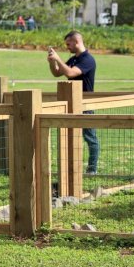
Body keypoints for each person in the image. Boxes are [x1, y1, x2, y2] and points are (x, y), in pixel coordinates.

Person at [47, 30, 99, 174]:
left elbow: (70, 73)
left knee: (90, 138)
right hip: (72, 102)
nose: (67, 47)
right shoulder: (74, 59)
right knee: (71, 136)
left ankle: (92, 169)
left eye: (69, 44)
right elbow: (57, 73)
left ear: (77, 42)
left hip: (85, 103)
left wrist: (58, 59)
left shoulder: (87, 59)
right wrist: (52, 62)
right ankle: (71, 168)